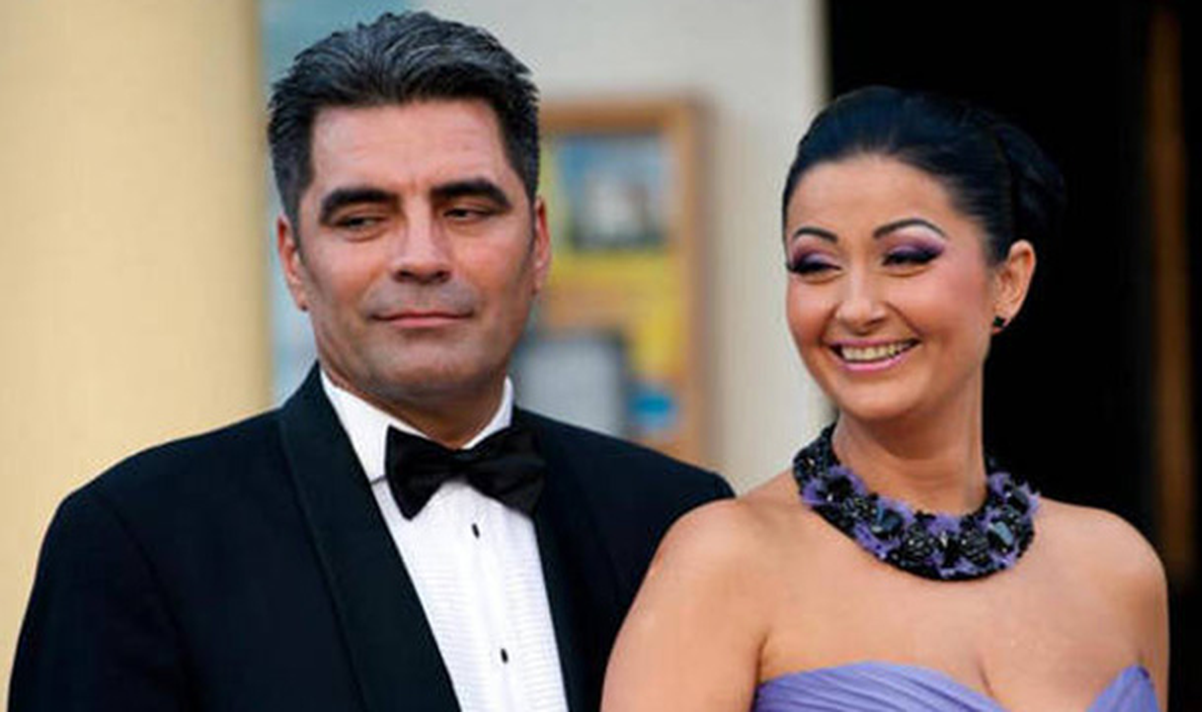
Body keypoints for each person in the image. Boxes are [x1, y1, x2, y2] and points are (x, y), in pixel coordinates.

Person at [10, 12, 732, 712]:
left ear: (538, 242)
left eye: (465, 211)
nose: (421, 257)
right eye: (362, 220)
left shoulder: (676, 520)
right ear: (294, 260)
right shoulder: (136, 540)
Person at [603, 86, 1168, 712]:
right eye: (816, 265)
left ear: (1008, 281)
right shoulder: (725, 562)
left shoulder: (1117, 570)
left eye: (904, 257)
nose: (857, 307)